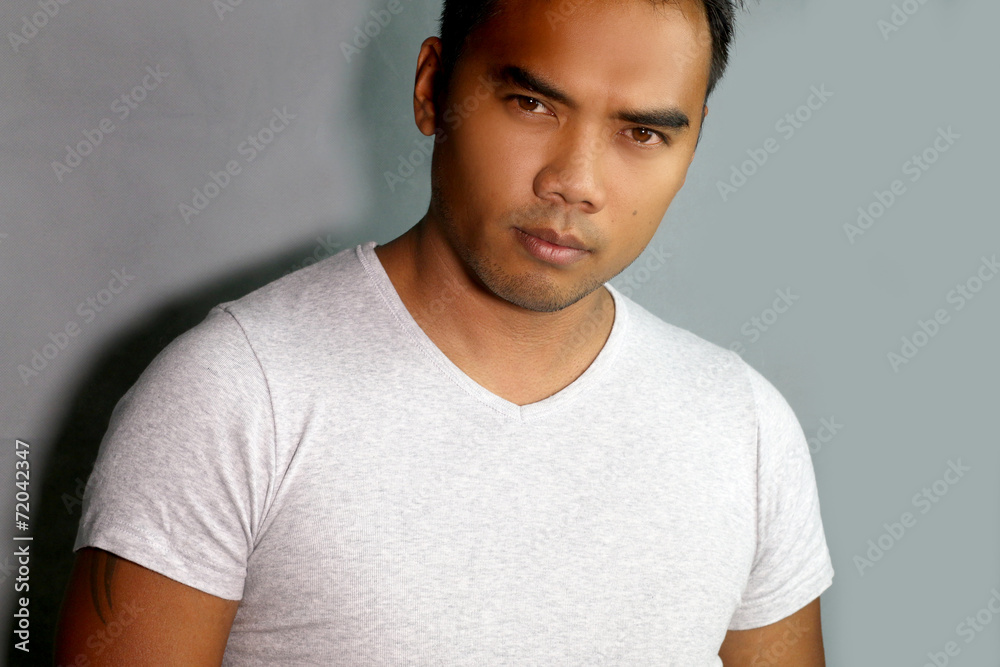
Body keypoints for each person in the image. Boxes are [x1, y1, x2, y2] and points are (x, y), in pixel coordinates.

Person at [55, 0, 835, 664]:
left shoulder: (744, 429)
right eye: (532, 104)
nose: (575, 181)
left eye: (642, 133)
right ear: (432, 87)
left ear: (692, 144)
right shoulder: (234, 396)